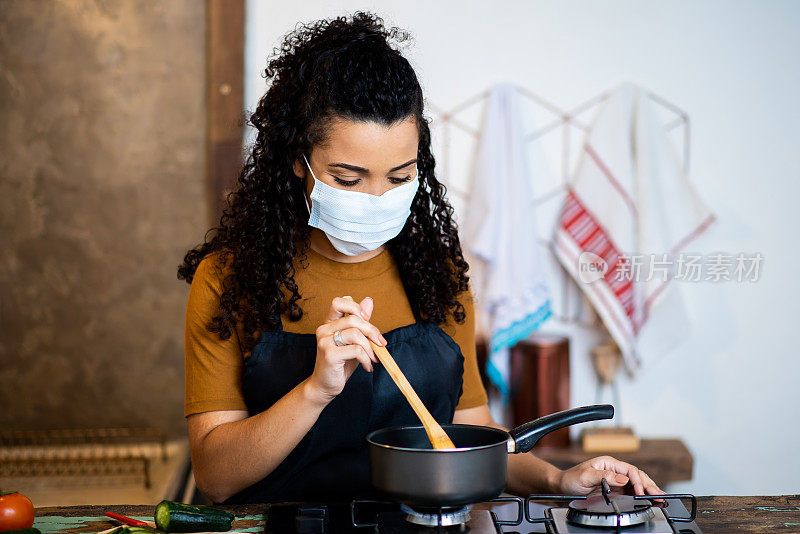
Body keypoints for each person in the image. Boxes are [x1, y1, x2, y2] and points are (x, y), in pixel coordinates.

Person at [178, 11, 665, 505]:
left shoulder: (438, 276)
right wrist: (316, 391)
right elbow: (216, 477)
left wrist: (558, 480)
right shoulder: (228, 279)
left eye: (398, 177)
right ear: (297, 162)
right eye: (348, 179)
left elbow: (472, 437)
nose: (374, 197)